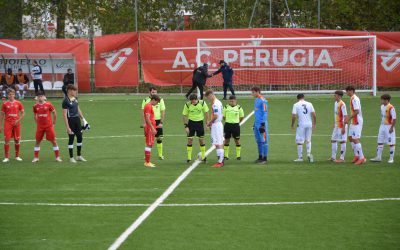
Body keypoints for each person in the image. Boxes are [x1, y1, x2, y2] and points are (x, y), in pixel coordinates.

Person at [32, 91, 62, 163]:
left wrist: (54, 122)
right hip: (40, 127)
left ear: (44, 97)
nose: (40, 98)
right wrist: (37, 123)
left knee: (54, 141)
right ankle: (36, 158)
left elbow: (54, 113)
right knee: (37, 141)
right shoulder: (35, 106)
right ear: (37, 97)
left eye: (41, 96)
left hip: (49, 126)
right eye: (38, 96)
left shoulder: (48, 104)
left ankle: (57, 157)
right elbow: (35, 115)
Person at [62, 84, 88, 163]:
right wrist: (67, 127)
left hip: (77, 120)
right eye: (74, 90)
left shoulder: (75, 99)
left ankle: (79, 156)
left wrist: (83, 119)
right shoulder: (65, 101)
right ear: (69, 91)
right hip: (71, 121)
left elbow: (78, 109)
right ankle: (71, 157)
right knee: (71, 138)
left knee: (80, 137)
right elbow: (64, 115)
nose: (76, 92)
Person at [182, 93, 209, 163]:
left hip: (200, 123)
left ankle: (203, 157)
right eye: (192, 101)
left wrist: (207, 124)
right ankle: (189, 158)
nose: (193, 102)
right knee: (190, 140)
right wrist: (186, 126)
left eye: (194, 101)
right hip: (191, 123)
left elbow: (206, 113)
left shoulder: (202, 103)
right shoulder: (187, 105)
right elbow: (184, 115)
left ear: (197, 99)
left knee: (201, 140)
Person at [0, 89, 25, 162]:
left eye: (12, 94)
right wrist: (0, 125)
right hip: (8, 123)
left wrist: (18, 120)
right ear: (7, 95)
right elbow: (1, 115)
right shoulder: (5, 104)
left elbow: (23, 113)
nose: (11, 96)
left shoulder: (18, 103)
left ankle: (17, 156)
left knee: (17, 140)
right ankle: (6, 157)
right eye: (10, 94)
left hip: (16, 124)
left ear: (14, 95)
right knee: (7, 140)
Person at [370, 94, 396, 164]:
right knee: (380, 141)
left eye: (382, 100)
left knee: (391, 143)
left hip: (389, 126)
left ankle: (391, 158)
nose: (381, 101)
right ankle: (378, 157)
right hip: (382, 126)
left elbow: (394, 119)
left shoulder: (391, 108)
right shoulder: (382, 107)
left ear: (386, 100)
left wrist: (391, 128)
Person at [141, 87, 166, 160]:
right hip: (149, 122)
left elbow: (163, 111)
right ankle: (147, 157)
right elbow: (143, 113)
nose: (154, 93)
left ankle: (160, 155)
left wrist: (161, 122)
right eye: (153, 92)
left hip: (157, 121)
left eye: (155, 92)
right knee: (148, 140)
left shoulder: (160, 100)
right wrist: (144, 122)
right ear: (149, 92)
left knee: (159, 138)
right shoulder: (146, 101)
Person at [291, 93, 316, 162]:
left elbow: (294, 116)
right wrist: (314, 124)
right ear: (304, 97)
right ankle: (308, 154)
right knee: (308, 139)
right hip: (309, 124)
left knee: (299, 141)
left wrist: (292, 124)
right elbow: (314, 115)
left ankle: (300, 158)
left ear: (297, 98)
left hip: (301, 124)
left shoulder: (296, 105)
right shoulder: (309, 104)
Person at [345, 86, 366, 165]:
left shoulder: (354, 99)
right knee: (350, 137)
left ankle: (362, 158)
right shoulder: (352, 98)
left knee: (355, 139)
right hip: (354, 121)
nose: (346, 93)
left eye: (347, 91)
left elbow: (357, 111)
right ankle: (357, 155)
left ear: (351, 91)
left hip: (357, 121)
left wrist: (348, 118)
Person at [205, 90, 225, 168]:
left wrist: (209, 123)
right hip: (217, 124)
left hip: (216, 125)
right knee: (218, 143)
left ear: (211, 95)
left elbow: (216, 116)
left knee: (218, 143)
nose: (208, 99)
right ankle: (220, 160)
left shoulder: (215, 104)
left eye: (208, 97)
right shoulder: (218, 102)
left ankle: (220, 162)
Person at [223, 95, 244, 160]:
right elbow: (224, 116)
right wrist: (228, 120)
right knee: (226, 140)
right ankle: (226, 156)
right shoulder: (226, 107)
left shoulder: (239, 107)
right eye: (230, 101)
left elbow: (242, 116)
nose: (231, 102)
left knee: (237, 140)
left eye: (233, 101)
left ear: (235, 101)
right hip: (227, 125)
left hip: (236, 126)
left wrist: (237, 122)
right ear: (229, 101)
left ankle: (238, 156)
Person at [143, 95, 161, 168]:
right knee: (149, 144)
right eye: (157, 102)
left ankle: (148, 161)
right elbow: (147, 119)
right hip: (150, 128)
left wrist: (155, 127)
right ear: (153, 100)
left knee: (150, 144)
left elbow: (150, 118)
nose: (157, 104)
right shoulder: (148, 106)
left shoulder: (149, 106)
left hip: (151, 127)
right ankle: (147, 162)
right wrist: (152, 128)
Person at [252, 87, 268, 164]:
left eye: (253, 92)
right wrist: (254, 123)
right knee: (258, 141)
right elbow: (257, 113)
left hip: (262, 124)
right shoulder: (256, 100)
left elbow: (265, 112)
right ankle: (260, 157)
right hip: (256, 124)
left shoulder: (263, 100)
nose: (252, 94)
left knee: (264, 141)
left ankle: (265, 158)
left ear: (258, 92)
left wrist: (263, 124)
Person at [330, 90, 348, 163]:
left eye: (335, 95)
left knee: (342, 141)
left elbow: (345, 116)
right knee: (333, 140)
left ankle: (342, 158)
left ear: (339, 96)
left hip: (341, 125)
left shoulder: (342, 104)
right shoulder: (335, 103)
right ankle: (333, 157)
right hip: (337, 125)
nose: (334, 96)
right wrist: (334, 123)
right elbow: (336, 115)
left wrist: (344, 127)